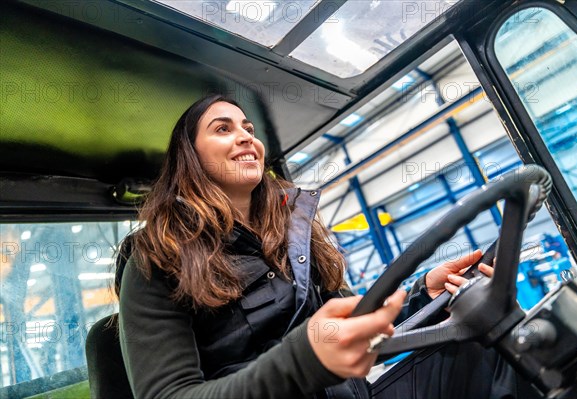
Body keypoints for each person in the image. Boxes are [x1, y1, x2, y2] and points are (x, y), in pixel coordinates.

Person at [116, 94, 498, 399]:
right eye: (222, 129)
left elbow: (354, 328)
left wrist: (424, 297)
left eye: (248, 127)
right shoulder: (158, 260)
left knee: (485, 348)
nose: (247, 136)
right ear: (191, 158)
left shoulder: (293, 235)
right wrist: (302, 360)